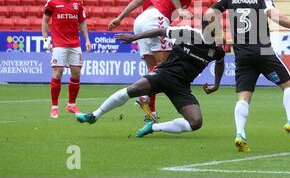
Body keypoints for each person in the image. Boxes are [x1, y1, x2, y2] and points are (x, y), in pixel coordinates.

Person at [206, 0, 290, 152]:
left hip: (241, 54)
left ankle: (240, 134)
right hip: (263, 50)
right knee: (289, 85)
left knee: (244, 97)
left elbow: (209, 14)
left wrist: (217, 35)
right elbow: (275, 17)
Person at [76, 25, 225, 139]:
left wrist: (216, 84)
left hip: (182, 87)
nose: (219, 41)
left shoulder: (218, 50)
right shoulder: (188, 33)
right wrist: (134, 38)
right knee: (133, 90)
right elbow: (160, 31)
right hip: (163, 74)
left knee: (196, 122)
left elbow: (220, 62)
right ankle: (94, 115)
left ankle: (153, 127)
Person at [107, 0, 207, 121]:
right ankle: (144, 95)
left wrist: (120, 17)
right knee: (164, 66)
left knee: (153, 69)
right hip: (156, 19)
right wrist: (180, 9)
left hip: (141, 21)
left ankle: (151, 111)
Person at [42, 0, 91, 119]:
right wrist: (46, 40)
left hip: (75, 44)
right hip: (59, 44)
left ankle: (71, 105)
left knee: (76, 74)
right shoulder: (52, 2)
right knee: (58, 72)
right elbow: (45, 22)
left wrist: (87, 39)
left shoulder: (78, 2)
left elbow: (82, 22)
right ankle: (54, 107)